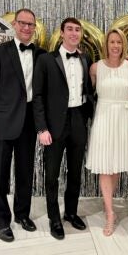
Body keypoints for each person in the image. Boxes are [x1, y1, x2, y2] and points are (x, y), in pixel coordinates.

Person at [0, 8, 46, 242]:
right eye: (22, 23)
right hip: (1, 122)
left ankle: (22, 215)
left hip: (29, 122)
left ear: (34, 27)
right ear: (14, 25)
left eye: (31, 24)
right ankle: (1, 221)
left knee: (25, 172)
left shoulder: (41, 54)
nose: (27, 28)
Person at [32, 17, 94, 240]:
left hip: (78, 120)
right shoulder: (46, 60)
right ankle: (53, 218)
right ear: (61, 33)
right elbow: (37, 96)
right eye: (70, 29)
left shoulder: (85, 58)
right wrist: (42, 128)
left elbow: (88, 89)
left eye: (78, 30)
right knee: (52, 176)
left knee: (76, 173)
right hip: (54, 124)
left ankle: (70, 212)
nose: (74, 33)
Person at [86, 28, 128, 236]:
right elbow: (88, 95)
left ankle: (110, 205)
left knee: (115, 166)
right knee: (105, 167)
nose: (115, 46)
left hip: (124, 117)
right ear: (106, 45)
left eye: (119, 42)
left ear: (123, 45)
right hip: (104, 117)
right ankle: (109, 213)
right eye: (112, 42)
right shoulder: (95, 68)